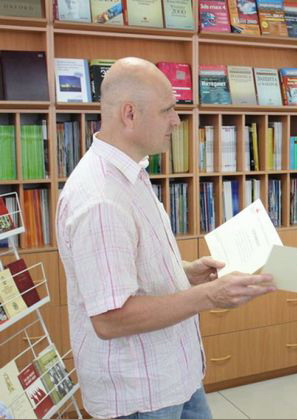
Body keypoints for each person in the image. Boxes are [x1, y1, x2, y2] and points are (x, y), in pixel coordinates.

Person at [56, 57, 276, 419]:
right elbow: (110, 318)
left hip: (174, 375)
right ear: (129, 114)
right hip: (140, 395)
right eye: (167, 110)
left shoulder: (131, 173)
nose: (176, 120)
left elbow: (129, 268)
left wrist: (184, 272)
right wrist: (209, 295)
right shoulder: (100, 199)